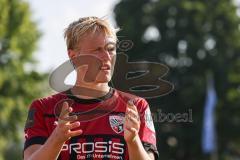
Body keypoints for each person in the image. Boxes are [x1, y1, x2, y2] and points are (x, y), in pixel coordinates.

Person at [23, 16, 159, 160]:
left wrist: (133, 141)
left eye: (111, 49)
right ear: (73, 56)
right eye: (97, 50)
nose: (107, 56)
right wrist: (57, 138)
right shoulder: (43, 108)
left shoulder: (136, 106)